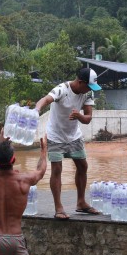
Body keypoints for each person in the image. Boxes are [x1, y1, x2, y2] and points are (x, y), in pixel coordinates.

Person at [35, 66, 101, 219]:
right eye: (88, 86)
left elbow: (88, 119)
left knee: (83, 165)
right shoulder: (62, 89)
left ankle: (81, 202)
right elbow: (45, 99)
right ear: (80, 82)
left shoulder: (87, 94)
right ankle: (59, 207)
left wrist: (79, 116)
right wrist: (36, 110)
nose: (89, 90)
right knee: (57, 169)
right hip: (55, 136)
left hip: (74, 136)